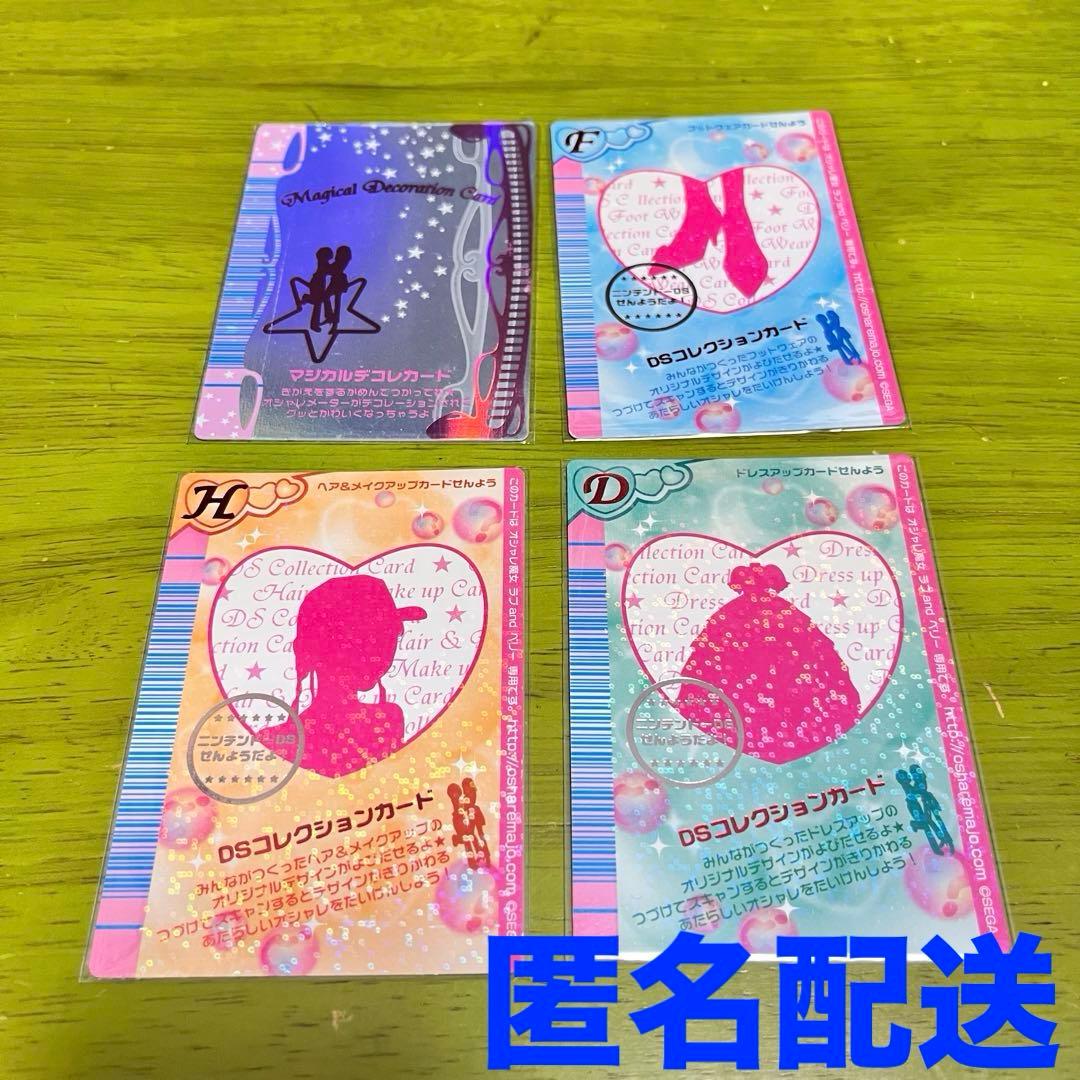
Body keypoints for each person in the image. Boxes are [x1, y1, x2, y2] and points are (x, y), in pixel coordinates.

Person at [257, 574, 426, 778]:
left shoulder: (387, 720)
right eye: (362, 638)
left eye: (385, 634)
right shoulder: (384, 722)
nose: (382, 649)